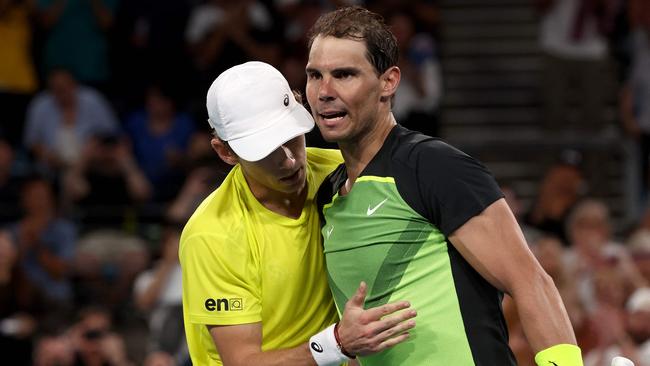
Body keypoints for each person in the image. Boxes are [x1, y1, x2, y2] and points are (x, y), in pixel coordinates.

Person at [305, 6, 580, 365]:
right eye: (314, 76)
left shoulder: (434, 166)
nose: (324, 91)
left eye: (344, 74)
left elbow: (530, 282)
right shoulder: (327, 196)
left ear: (388, 82)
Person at [179, 61, 416, 366]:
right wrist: (337, 343)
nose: (289, 161)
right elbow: (242, 361)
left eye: (290, 136)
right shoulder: (211, 236)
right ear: (225, 152)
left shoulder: (342, 172)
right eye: (264, 150)